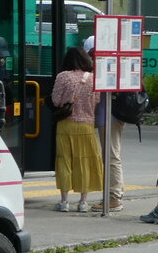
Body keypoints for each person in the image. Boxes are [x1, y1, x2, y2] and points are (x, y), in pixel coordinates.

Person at [50, 45, 102, 212]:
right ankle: (83, 203)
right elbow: (97, 100)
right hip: (87, 124)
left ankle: (64, 202)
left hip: (66, 124)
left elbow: (56, 100)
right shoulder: (93, 79)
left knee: (64, 160)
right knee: (84, 162)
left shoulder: (63, 76)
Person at [84, 35, 124, 211]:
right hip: (113, 116)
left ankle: (114, 198)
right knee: (112, 155)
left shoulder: (103, 68)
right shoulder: (112, 64)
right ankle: (115, 193)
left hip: (108, 117)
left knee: (111, 157)